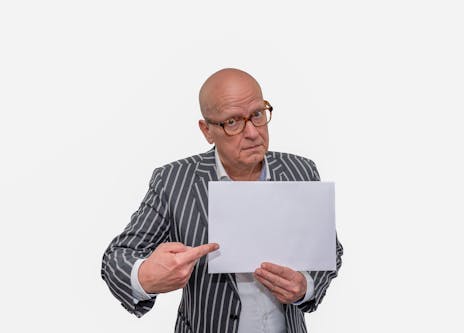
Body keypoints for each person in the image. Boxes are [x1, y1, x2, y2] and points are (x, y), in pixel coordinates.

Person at [101, 68, 343, 333]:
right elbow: (117, 257)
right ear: (207, 131)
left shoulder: (301, 172)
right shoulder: (173, 180)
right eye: (232, 122)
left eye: (258, 115)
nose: (252, 132)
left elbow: (329, 249)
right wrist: (144, 275)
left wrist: (305, 286)